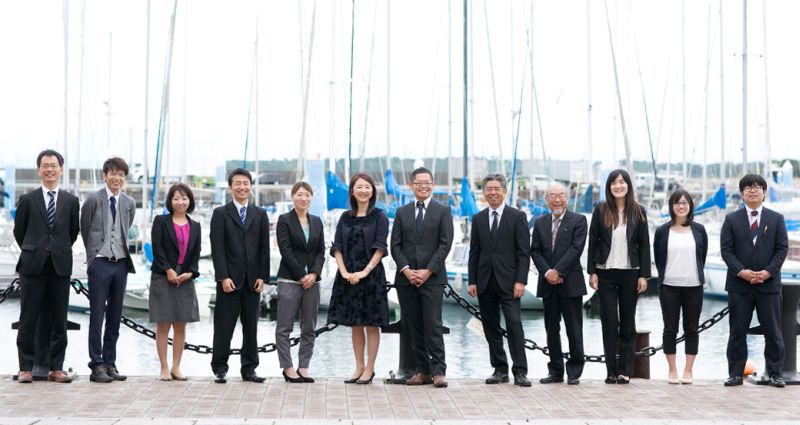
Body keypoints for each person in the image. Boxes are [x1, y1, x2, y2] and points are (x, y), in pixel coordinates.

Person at [14, 149, 79, 384]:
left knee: (59, 319)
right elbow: (19, 232)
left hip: (60, 266)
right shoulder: (27, 200)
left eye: (53, 165)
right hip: (32, 266)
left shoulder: (71, 201)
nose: (49, 169)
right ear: (39, 170)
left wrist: (56, 249)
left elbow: (73, 232)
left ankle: (56, 367)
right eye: (45, 165)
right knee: (28, 318)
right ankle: (25, 368)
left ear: (61, 169)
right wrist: (36, 249)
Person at [721, 174, 788, 388]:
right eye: (748, 187)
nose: (752, 190)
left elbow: (782, 249)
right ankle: (735, 373)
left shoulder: (776, 219)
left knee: (773, 332)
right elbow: (726, 251)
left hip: (768, 285)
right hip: (739, 285)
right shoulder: (731, 219)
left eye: (757, 187)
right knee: (737, 332)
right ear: (741, 194)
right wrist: (742, 272)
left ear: (764, 193)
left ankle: (775, 374)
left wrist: (768, 272)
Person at [390, 167, 454, 388]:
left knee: (433, 325)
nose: (423, 186)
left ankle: (438, 371)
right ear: (411, 185)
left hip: (432, 278)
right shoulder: (401, 212)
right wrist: (406, 269)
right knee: (413, 326)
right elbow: (395, 245)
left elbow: (445, 244)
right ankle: (422, 370)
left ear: (432, 185)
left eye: (427, 182)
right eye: (419, 183)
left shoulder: (443, 211)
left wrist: (428, 271)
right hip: (406, 279)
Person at [467, 174, 532, 387]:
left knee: (514, 324)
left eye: (497, 188)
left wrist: (521, 281)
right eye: (489, 189)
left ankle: (520, 371)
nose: (493, 192)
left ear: (504, 191)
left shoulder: (517, 216)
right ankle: (500, 369)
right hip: (485, 281)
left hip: (510, 282)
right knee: (490, 327)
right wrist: (472, 280)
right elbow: (474, 252)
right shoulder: (478, 219)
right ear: (484, 192)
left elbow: (524, 252)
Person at [587, 169, 650, 384]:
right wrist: (592, 271)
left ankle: (625, 371)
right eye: (614, 183)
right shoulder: (601, 210)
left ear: (628, 186)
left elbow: (644, 245)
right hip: (605, 272)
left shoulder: (638, 211)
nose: (618, 186)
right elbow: (593, 241)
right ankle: (611, 371)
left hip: (630, 273)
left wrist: (644, 275)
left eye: (622, 182)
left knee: (628, 323)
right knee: (609, 322)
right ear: (609, 187)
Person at [327, 173, 390, 385]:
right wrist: (344, 272)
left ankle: (370, 368)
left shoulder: (380, 216)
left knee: (371, 323)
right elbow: (337, 246)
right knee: (355, 324)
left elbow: (380, 246)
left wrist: (365, 271)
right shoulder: (345, 217)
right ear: (352, 191)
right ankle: (359, 366)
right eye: (359, 187)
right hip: (348, 275)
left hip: (371, 276)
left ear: (372, 191)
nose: (363, 190)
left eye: (367, 187)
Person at [210, 168, 270, 384]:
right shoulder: (220, 214)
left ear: (250, 187)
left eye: (246, 183)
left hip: (253, 280)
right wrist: (223, 276)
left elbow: (264, 248)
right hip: (229, 280)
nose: (242, 187)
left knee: (251, 327)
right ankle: (220, 368)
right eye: (238, 183)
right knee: (224, 326)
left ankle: (249, 368)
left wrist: (263, 276)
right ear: (230, 187)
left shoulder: (260, 214)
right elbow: (217, 248)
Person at [81, 157, 136, 383]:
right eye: (113, 173)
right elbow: (85, 230)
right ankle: (96, 365)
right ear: (105, 175)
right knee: (97, 316)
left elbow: (126, 227)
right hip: (100, 262)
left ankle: (110, 362)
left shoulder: (129, 202)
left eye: (121, 174)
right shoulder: (93, 199)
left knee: (114, 316)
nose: (117, 178)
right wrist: (93, 258)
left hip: (121, 263)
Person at [530, 182, 587, 385]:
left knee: (574, 329)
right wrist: (548, 272)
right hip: (548, 284)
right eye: (552, 195)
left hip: (570, 283)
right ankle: (555, 371)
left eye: (561, 195)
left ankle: (574, 371)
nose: (557, 199)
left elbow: (576, 248)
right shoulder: (540, 222)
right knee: (551, 329)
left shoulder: (578, 220)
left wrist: (558, 271)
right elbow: (535, 250)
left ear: (567, 198)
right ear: (546, 199)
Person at [653, 189, 708, 385]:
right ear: (671, 206)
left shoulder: (699, 230)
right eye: (677, 203)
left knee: (692, 329)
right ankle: (672, 370)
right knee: (670, 329)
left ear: (690, 206)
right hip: (669, 285)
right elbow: (658, 257)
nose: (681, 206)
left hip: (694, 285)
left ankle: (688, 370)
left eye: (685, 203)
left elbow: (702, 256)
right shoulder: (662, 231)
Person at [149, 183, 202, 381]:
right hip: (163, 276)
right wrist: (168, 270)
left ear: (190, 201)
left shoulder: (195, 226)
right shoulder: (161, 221)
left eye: (184, 198)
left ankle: (176, 367)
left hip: (185, 278)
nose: (181, 202)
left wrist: (191, 273)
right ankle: (163, 367)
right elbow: (157, 248)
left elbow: (196, 254)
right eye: (176, 198)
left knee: (180, 325)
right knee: (163, 324)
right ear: (170, 201)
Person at [275, 182, 325, 384]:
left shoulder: (317, 221)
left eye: (307, 195)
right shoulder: (284, 220)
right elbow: (285, 250)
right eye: (299, 194)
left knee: (309, 327)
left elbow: (321, 251)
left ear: (311, 197)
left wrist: (314, 273)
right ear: (293, 197)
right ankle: (287, 367)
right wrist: (300, 275)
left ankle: (304, 367)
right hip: (289, 279)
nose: (303, 198)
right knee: (284, 327)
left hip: (312, 282)